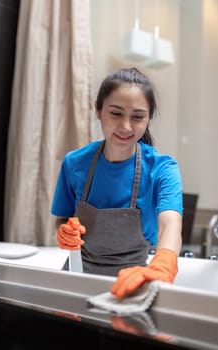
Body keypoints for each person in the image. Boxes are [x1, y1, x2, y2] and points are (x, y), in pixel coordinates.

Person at [51, 67, 183, 299]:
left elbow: (169, 223)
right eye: (116, 113)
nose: (126, 127)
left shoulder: (162, 169)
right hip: (75, 280)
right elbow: (62, 217)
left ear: (148, 117)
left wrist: (163, 264)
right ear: (98, 110)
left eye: (137, 117)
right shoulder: (74, 163)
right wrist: (63, 231)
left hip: (132, 286)